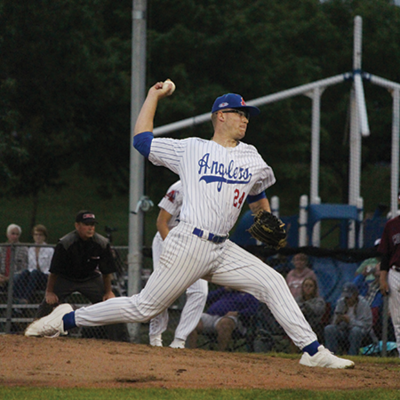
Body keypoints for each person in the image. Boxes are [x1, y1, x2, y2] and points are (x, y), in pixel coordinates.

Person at [25, 81, 354, 368]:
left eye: (247, 115)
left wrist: (263, 215)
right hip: (189, 242)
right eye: (240, 113)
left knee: (272, 282)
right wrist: (154, 95)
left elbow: (258, 191)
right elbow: (142, 141)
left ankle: (312, 350)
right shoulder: (192, 149)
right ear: (220, 116)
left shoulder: (251, 156)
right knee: (144, 307)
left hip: (222, 249)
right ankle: (66, 319)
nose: (245, 119)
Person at [33, 211, 129, 342]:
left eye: (93, 225)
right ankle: (35, 334)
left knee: (111, 305)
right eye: (86, 224)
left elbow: (106, 271)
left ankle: (122, 341)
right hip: (66, 277)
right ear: (77, 226)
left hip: (90, 278)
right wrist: (49, 292)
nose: (91, 228)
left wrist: (108, 292)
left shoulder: (101, 243)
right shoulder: (65, 243)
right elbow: (54, 271)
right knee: (48, 303)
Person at [149, 180, 208, 349]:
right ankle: (155, 337)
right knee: (163, 288)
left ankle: (180, 339)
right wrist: (172, 249)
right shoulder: (179, 188)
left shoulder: (213, 188)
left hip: (193, 242)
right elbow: (161, 223)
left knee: (200, 291)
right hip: (168, 237)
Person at [187, 286, 258, 351]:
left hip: (231, 319)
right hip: (211, 316)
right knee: (193, 319)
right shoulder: (226, 292)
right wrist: (223, 289)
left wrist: (238, 313)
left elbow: (254, 310)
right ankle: (192, 351)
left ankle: (221, 353)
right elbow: (207, 299)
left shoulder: (250, 295)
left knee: (225, 323)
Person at [324, 282, 372, 356]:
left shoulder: (363, 304)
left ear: (355, 295)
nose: (347, 299)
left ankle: (352, 356)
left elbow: (367, 325)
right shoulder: (341, 302)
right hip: (343, 330)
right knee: (329, 329)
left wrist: (350, 321)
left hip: (360, 333)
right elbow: (334, 322)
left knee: (355, 331)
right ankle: (331, 356)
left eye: (349, 297)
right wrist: (337, 321)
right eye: (346, 297)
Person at [378, 201, 400, 357]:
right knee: (398, 319)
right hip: (396, 273)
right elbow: (385, 255)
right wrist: (383, 278)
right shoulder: (392, 225)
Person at [12, 225, 54, 303]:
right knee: (24, 273)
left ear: (44, 236)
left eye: (40, 235)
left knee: (34, 273)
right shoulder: (31, 249)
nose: (38, 237)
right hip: (33, 277)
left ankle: (26, 299)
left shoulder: (49, 250)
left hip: (45, 277)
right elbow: (30, 267)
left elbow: (51, 268)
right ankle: (17, 299)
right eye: (36, 235)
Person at [0, 224, 28, 297]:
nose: (15, 236)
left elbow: (24, 268)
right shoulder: (2, 248)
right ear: (7, 234)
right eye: (13, 234)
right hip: (2, 276)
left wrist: (8, 278)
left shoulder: (23, 249)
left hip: (16, 277)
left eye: (17, 234)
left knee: (17, 278)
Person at [295, 278, 326, 343]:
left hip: (314, 326)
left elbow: (317, 311)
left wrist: (306, 306)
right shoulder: (297, 300)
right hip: (299, 325)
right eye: (306, 285)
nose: (308, 288)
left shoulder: (319, 301)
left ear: (315, 288)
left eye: (311, 286)